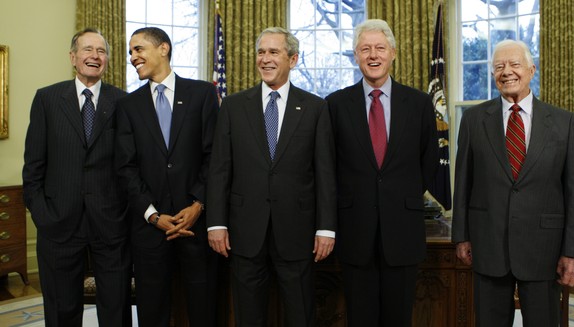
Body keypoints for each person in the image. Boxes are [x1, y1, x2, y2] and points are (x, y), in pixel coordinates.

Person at [206, 26, 337, 327]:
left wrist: (326, 228)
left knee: (299, 314)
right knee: (248, 315)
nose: (265, 59)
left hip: (298, 231)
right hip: (244, 231)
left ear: (293, 59)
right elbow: (220, 168)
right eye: (261, 52)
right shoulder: (234, 106)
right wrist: (216, 222)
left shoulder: (316, 108)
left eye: (274, 52)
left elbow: (325, 172)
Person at [452, 39, 574, 326]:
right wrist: (460, 234)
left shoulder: (564, 123)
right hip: (488, 247)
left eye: (514, 64)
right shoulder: (474, 120)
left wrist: (573, 251)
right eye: (498, 66)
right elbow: (463, 181)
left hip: (543, 250)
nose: (506, 71)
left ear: (531, 70)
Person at [325, 19, 438, 326]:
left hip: (402, 230)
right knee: (359, 318)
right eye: (365, 49)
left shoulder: (419, 103)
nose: (372, 55)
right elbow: (328, 166)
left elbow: (428, 162)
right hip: (354, 232)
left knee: (398, 318)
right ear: (356, 56)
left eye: (379, 48)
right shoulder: (335, 105)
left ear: (393, 53)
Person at [22, 28, 131, 327]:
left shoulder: (124, 103)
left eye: (101, 51)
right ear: (73, 57)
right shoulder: (47, 99)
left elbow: (129, 166)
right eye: (87, 50)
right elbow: (33, 167)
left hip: (110, 225)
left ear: (107, 59)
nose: (94, 56)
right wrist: (43, 215)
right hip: (58, 224)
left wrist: (124, 214)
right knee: (61, 311)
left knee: (115, 309)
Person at [115, 27, 219, 327]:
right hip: (150, 231)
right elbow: (125, 167)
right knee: (152, 312)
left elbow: (215, 156)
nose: (132, 56)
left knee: (203, 309)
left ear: (163, 48)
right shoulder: (128, 106)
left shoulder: (202, 94)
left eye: (138, 49)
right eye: (130, 52)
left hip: (196, 227)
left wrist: (198, 205)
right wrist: (152, 215)